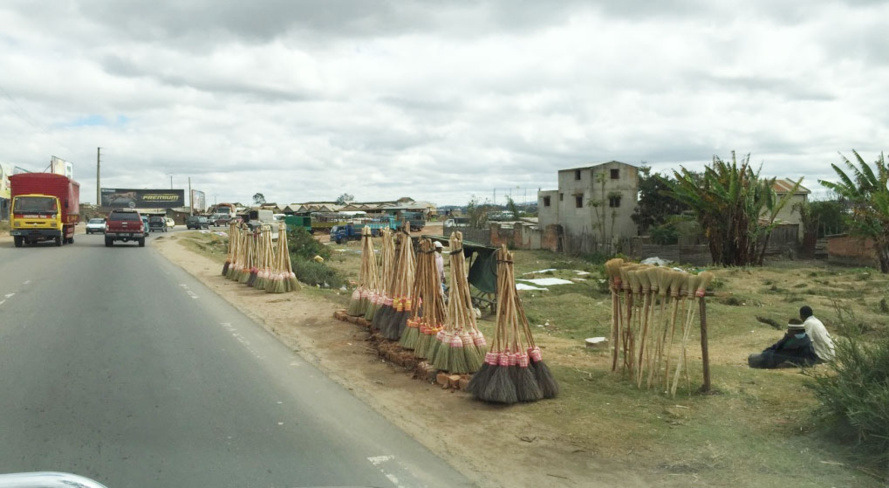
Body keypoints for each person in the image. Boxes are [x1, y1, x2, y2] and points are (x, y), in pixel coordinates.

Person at [748, 318, 818, 369]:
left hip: (775, 360)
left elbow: (809, 360)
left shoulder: (804, 344)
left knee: (753, 360)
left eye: (789, 330)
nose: (788, 331)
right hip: (771, 356)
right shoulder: (791, 338)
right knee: (752, 357)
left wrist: (790, 364)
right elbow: (776, 346)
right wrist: (766, 352)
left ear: (794, 331)